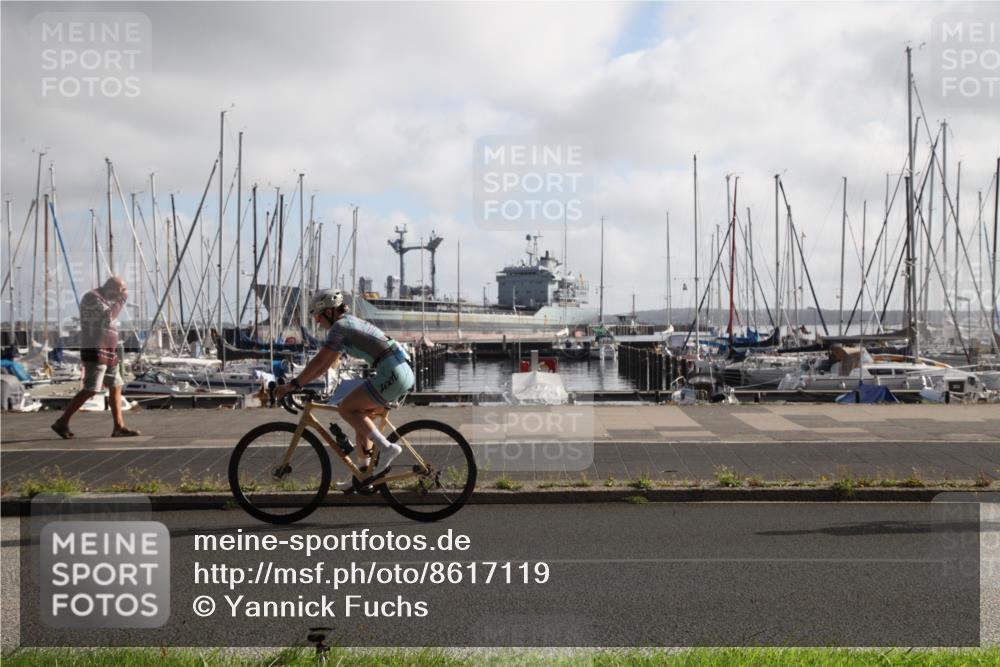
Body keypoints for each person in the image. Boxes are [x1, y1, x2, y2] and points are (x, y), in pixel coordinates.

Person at [273, 289, 413, 491]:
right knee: (359, 417)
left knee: (347, 409)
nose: (318, 322)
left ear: (330, 312)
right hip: (398, 370)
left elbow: (320, 361)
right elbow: (325, 365)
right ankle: (364, 477)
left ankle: (388, 448)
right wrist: (299, 383)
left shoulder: (340, 327)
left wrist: (292, 385)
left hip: (392, 372)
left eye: (319, 316)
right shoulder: (347, 324)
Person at [51, 276, 141, 439]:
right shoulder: (92, 297)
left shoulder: (105, 298)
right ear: (111, 287)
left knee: (116, 386)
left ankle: (118, 427)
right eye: (120, 290)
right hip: (96, 350)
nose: (122, 294)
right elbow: (108, 317)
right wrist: (122, 300)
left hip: (109, 351)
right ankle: (62, 421)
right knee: (92, 388)